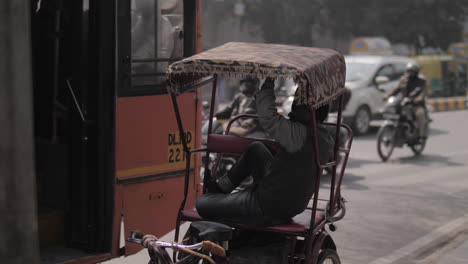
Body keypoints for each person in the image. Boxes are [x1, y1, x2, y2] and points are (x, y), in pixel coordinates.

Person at [196, 77, 334, 226]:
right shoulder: (323, 135)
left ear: (311, 109)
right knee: (256, 149)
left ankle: (234, 196)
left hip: (268, 205)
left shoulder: (299, 133)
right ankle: (222, 188)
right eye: (296, 100)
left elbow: (268, 117)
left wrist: (269, 80)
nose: (294, 105)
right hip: (288, 202)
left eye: (299, 102)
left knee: (202, 203)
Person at [384, 62, 427, 140]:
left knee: (420, 114)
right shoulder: (403, 80)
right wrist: (387, 95)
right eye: (409, 71)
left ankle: (421, 135)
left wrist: (418, 99)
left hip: (416, 104)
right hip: (404, 103)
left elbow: (423, 93)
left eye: (412, 71)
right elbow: (396, 89)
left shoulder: (421, 81)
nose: (410, 73)